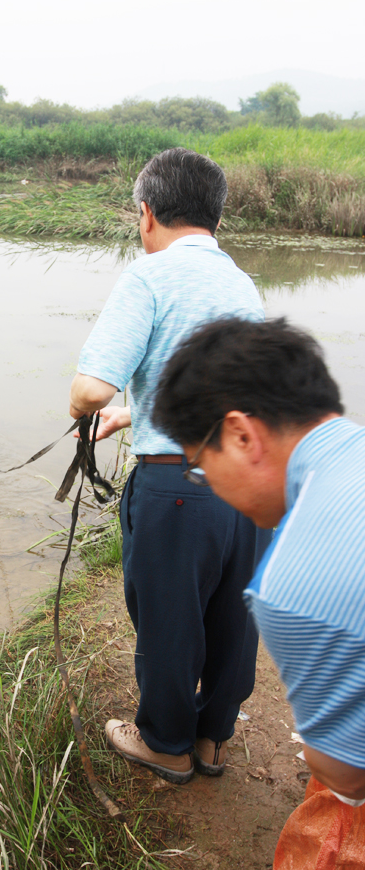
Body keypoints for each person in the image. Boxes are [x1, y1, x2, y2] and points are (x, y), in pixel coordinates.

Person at [68, 147, 272, 784]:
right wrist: (138, 414)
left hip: (178, 490)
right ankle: (213, 739)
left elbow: (91, 388)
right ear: (216, 217)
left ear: (146, 213)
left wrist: (91, 406)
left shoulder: (148, 277)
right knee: (232, 617)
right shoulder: (241, 283)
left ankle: (164, 741)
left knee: (168, 616)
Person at [152, 316, 365, 863]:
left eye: (199, 468)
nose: (208, 485)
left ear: (241, 435)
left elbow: (345, 776)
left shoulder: (293, 584)